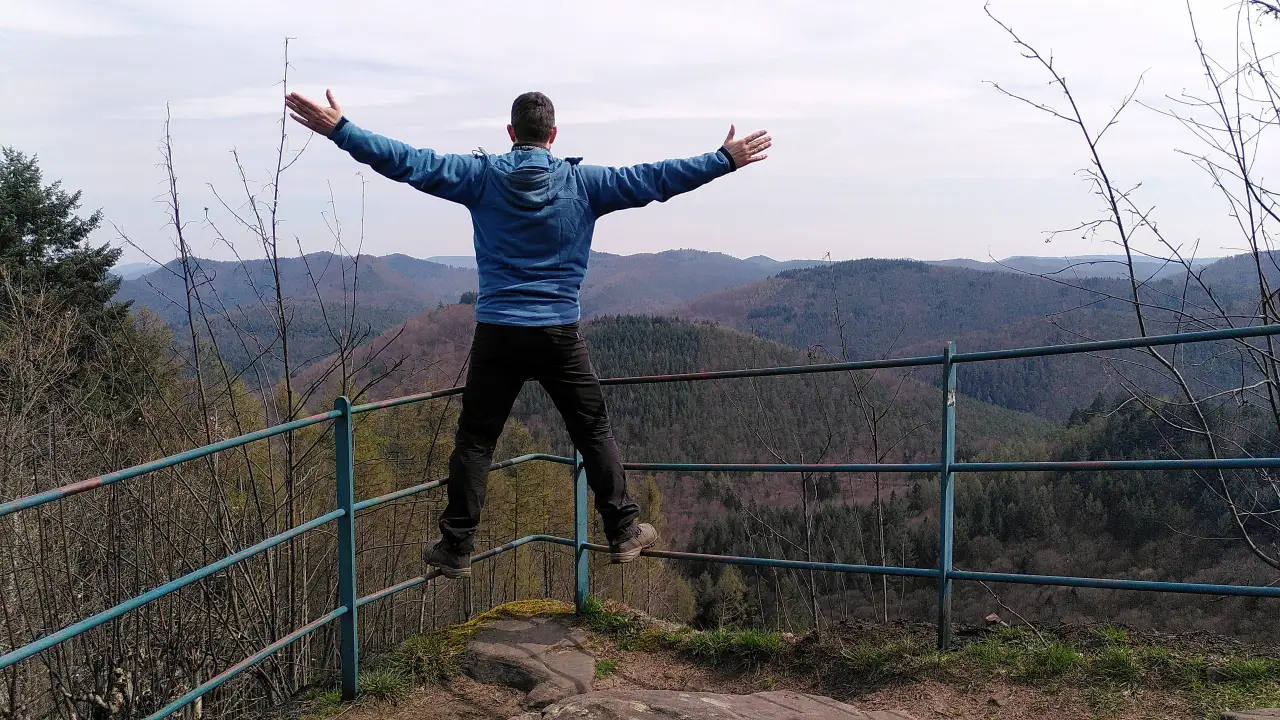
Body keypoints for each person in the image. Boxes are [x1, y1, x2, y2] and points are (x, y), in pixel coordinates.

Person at [285, 89, 771, 578]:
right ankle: (623, 531)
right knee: (593, 431)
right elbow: (656, 179)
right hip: (559, 334)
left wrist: (342, 130)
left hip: (498, 334)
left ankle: (456, 547)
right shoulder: (585, 184)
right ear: (553, 136)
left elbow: (410, 162)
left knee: (476, 441)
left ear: (511, 133)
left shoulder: (480, 178)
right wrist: (722, 160)